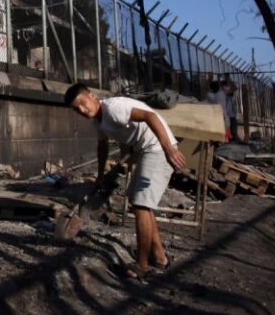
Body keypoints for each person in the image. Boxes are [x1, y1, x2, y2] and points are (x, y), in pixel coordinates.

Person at [63, 83, 186, 279]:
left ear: (92, 96)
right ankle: (160, 258)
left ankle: (142, 265)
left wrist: (169, 148)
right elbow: (102, 147)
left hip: (157, 148)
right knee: (142, 205)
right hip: (144, 150)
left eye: (83, 103)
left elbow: (150, 116)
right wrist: (101, 176)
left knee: (141, 205)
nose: (83, 110)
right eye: (77, 110)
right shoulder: (99, 121)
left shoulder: (114, 108)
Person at [220, 77, 238, 142]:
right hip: (228, 116)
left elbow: (234, 88)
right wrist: (229, 81)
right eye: (225, 86)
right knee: (230, 133)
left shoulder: (228, 93)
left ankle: (233, 142)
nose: (226, 88)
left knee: (232, 133)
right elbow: (234, 88)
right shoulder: (222, 93)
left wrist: (229, 81)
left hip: (231, 116)